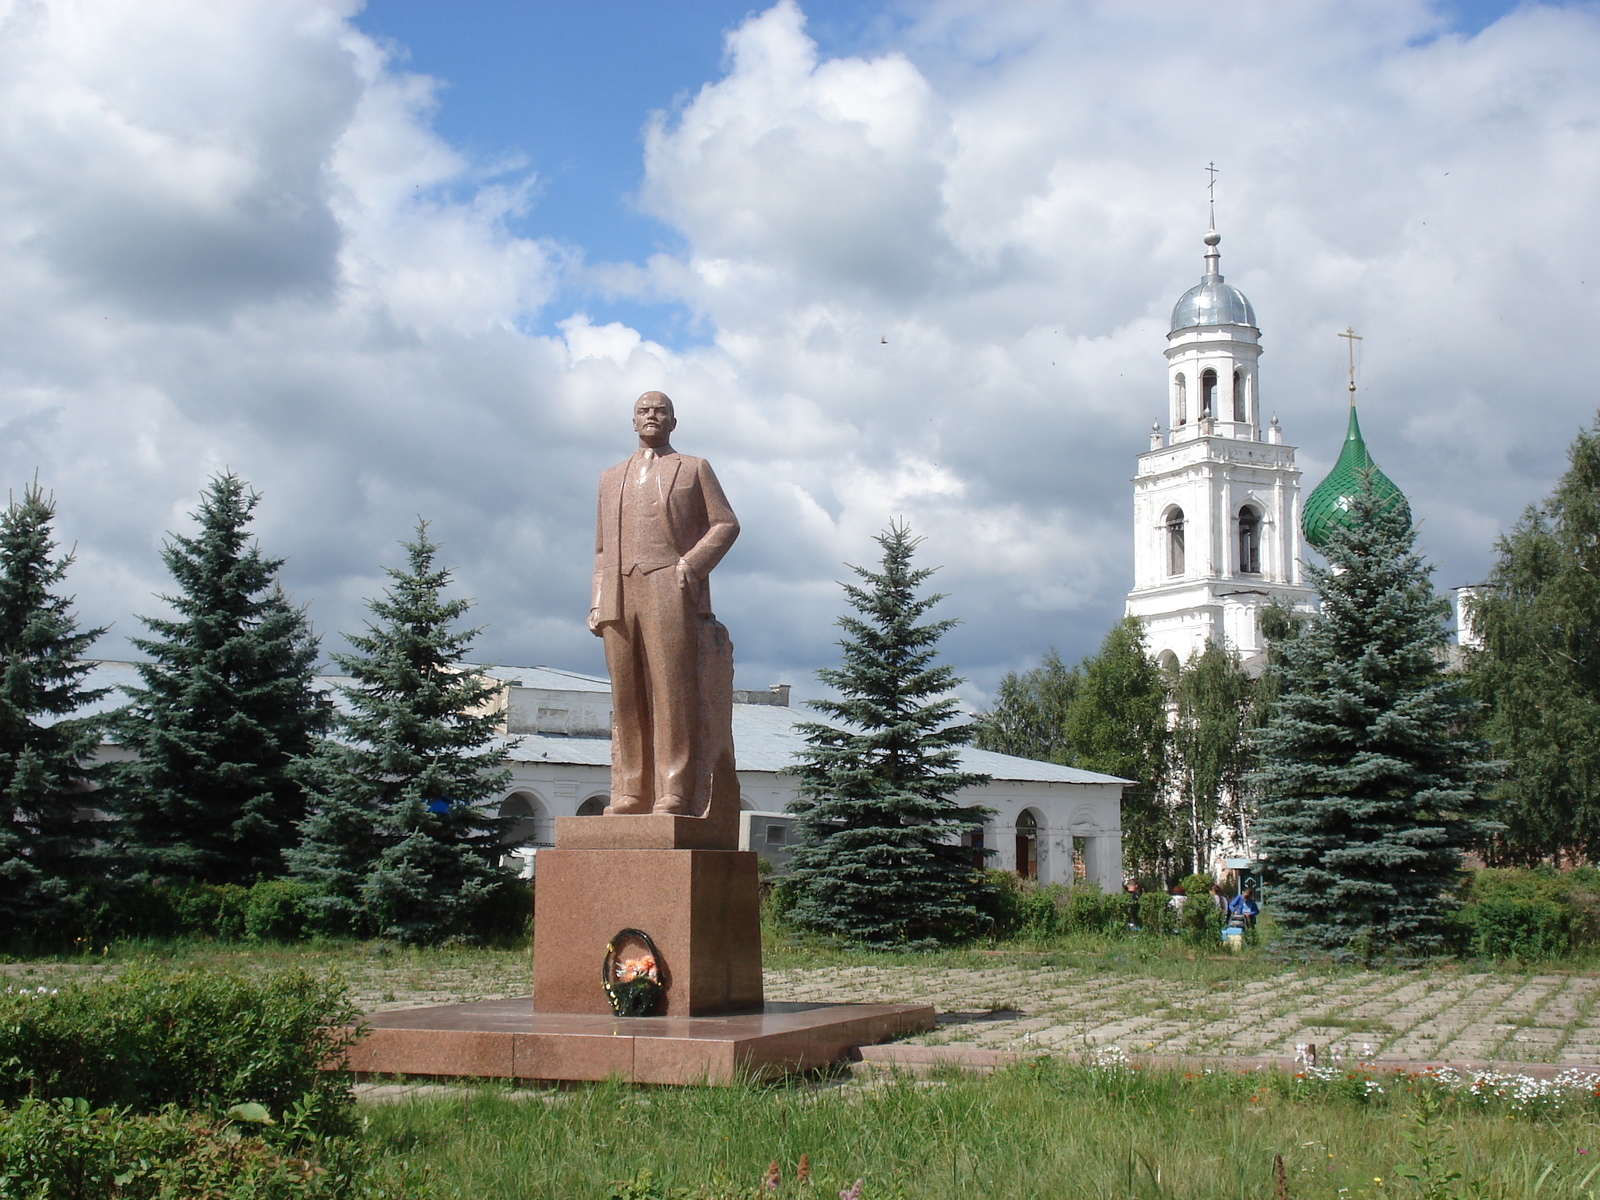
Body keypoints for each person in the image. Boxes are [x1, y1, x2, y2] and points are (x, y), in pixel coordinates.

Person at [589, 391, 739, 815]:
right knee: (626, 696)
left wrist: (690, 567)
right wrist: (598, 600)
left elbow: (726, 524)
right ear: (633, 421)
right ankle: (631, 790)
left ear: (673, 422)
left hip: (669, 587)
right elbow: (602, 550)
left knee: (672, 691)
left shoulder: (693, 468)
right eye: (643, 411)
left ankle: (674, 789)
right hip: (619, 593)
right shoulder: (609, 477)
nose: (651, 417)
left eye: (660, 412)